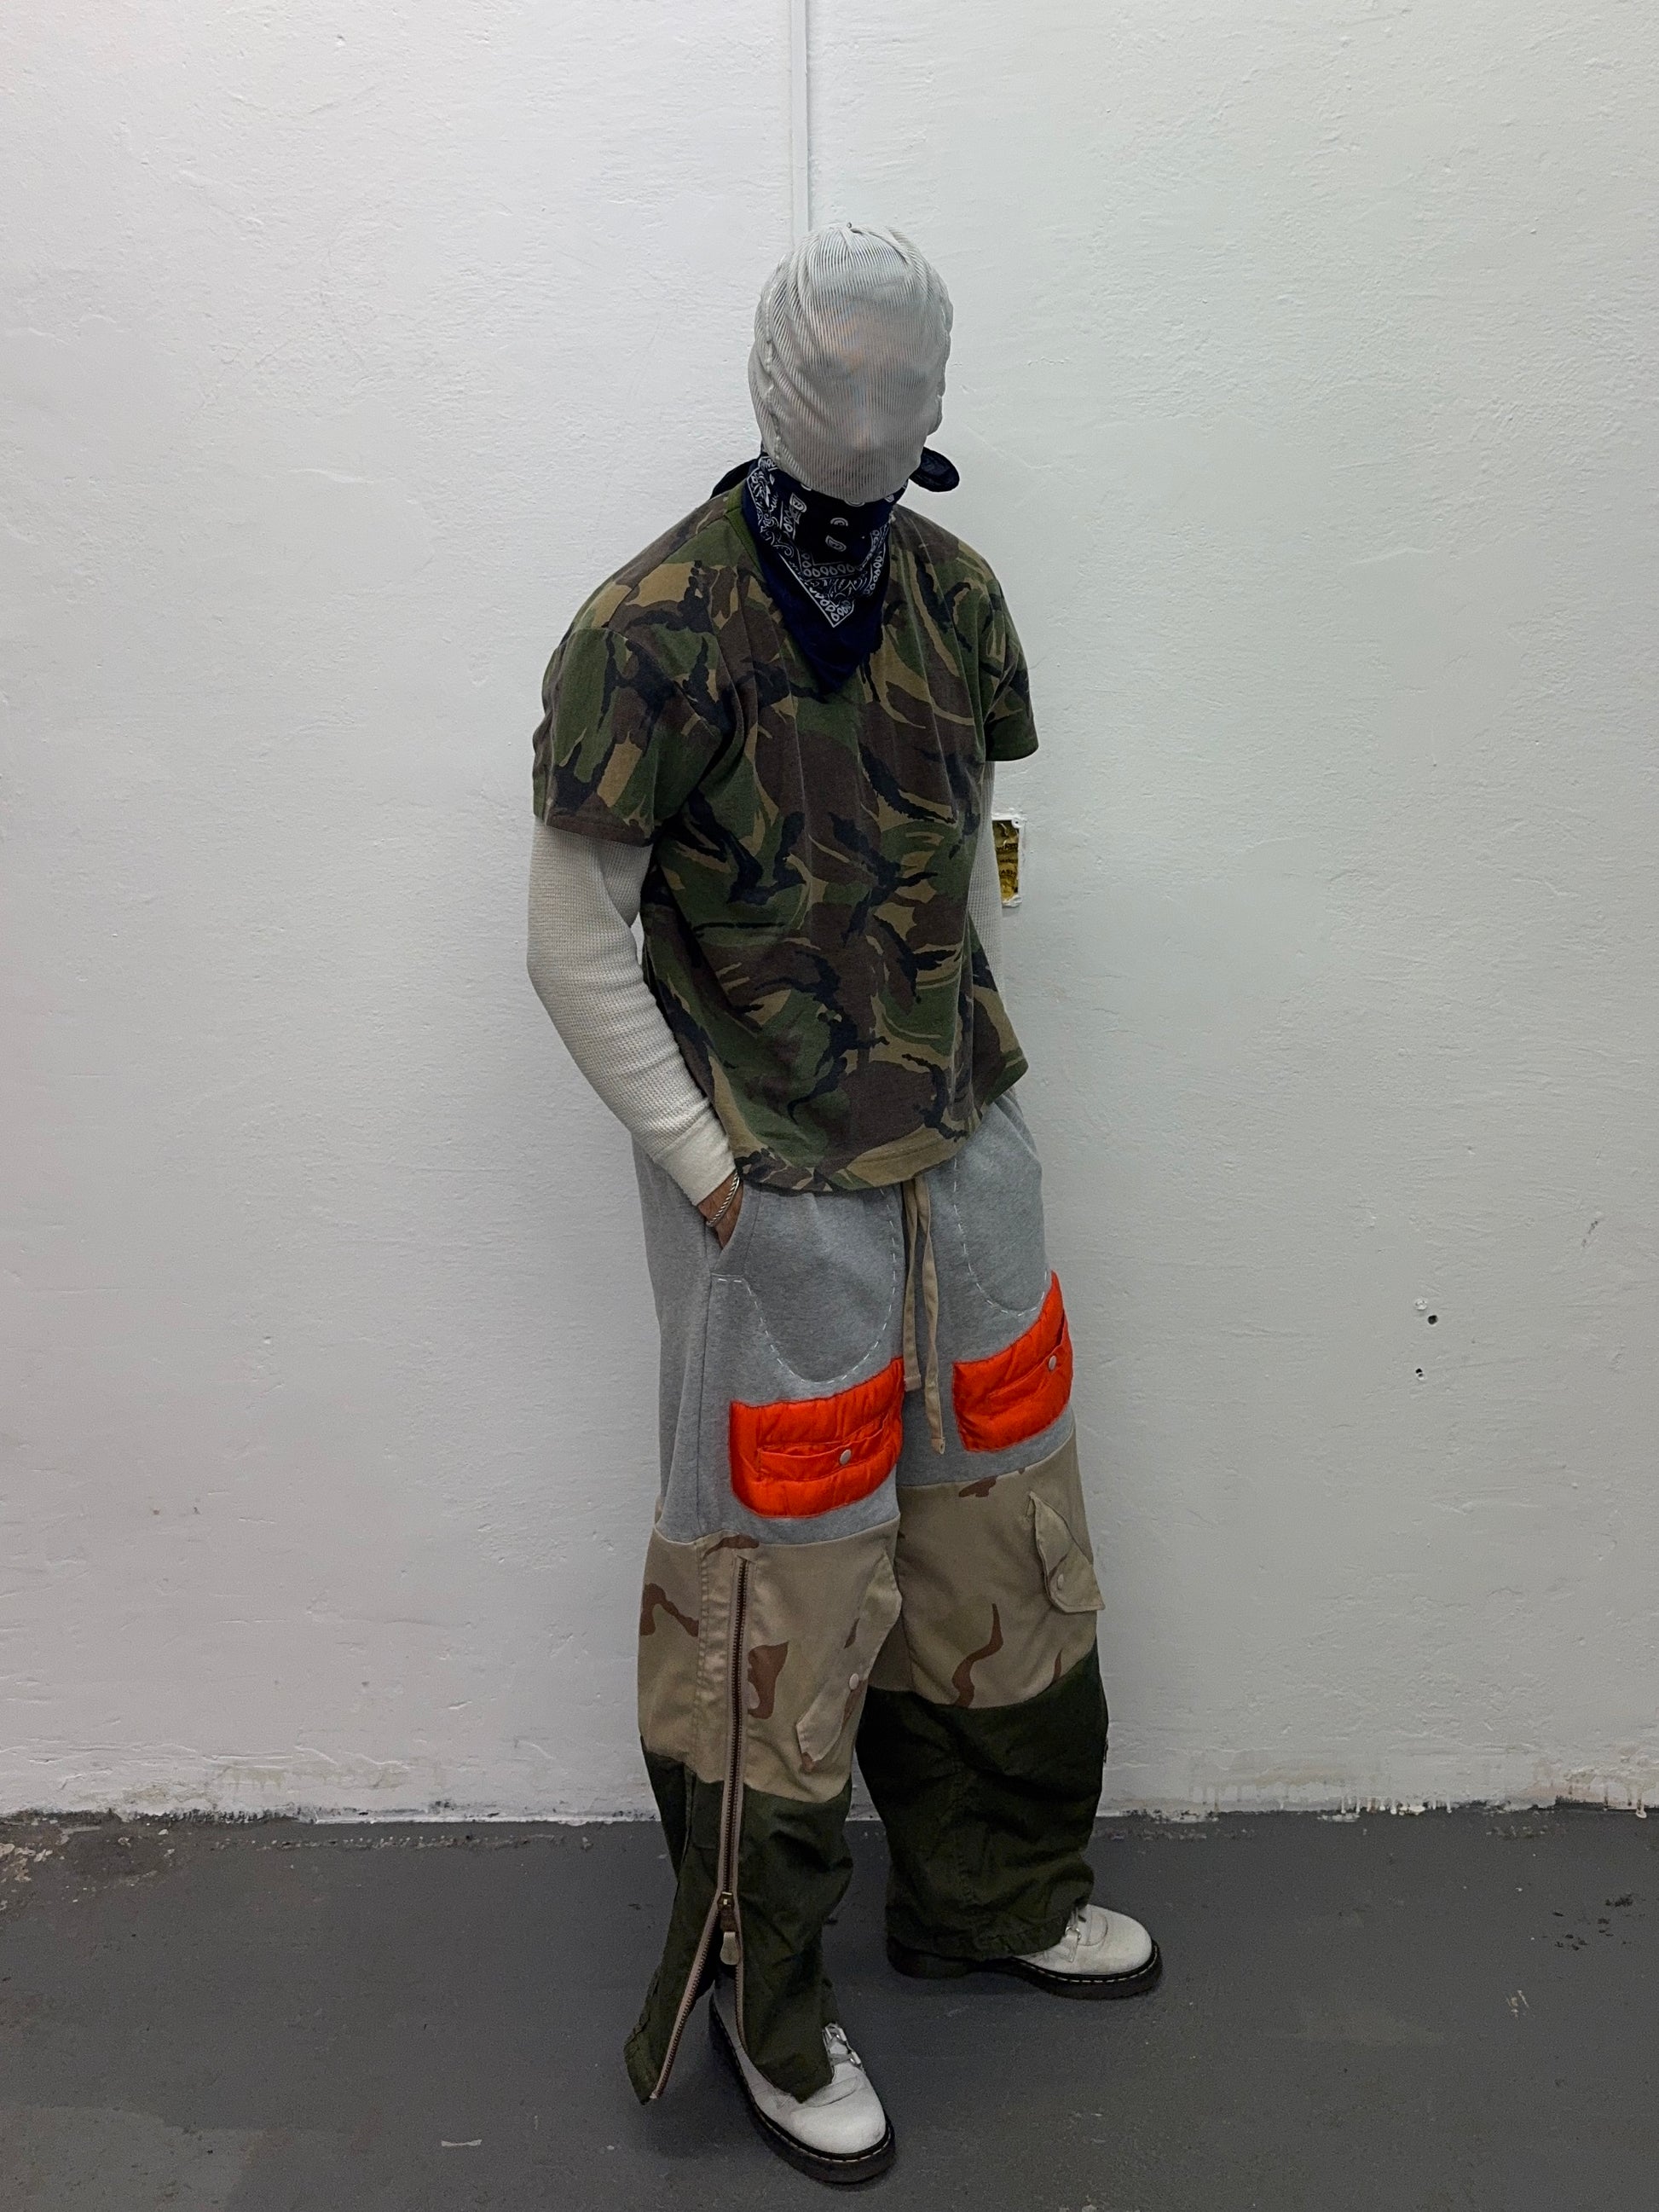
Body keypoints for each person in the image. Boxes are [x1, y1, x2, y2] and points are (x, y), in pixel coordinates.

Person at [527, 222, 1160, 2189]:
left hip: (959, 1157)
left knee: (998, 1528)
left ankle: (992, 1888)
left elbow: (964, 854)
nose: (871, 410)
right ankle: (765, 1998)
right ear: (767, 373)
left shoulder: (956, 599)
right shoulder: (651, 629)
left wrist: (977, 1095)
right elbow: (573, 940)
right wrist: (707, 1176)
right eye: (837, 373)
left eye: (906, 378)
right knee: (773, 1595)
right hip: (774, 1187)